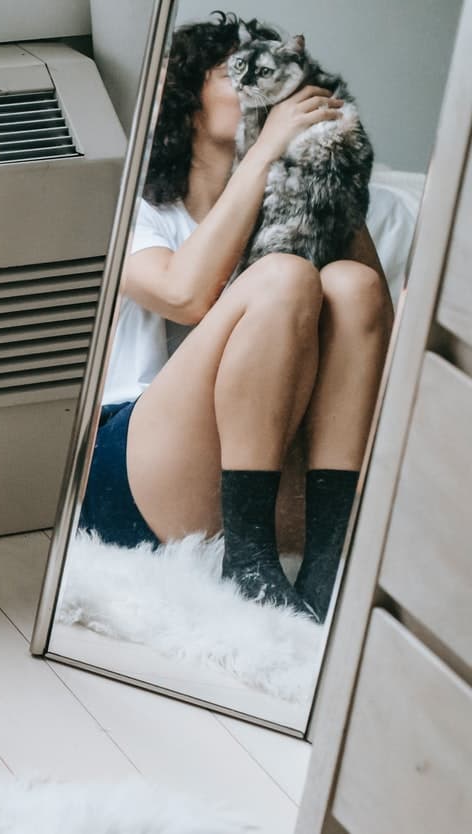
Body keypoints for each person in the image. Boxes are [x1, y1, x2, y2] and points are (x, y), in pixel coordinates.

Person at [78, 12, 392, 621]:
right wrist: (268, 145)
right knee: (282, 276)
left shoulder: (295, 205)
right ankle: (246, 562)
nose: (265, 82)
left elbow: (377, 323)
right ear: (187, 103)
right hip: (139, 470)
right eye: (234, 71)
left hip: (272, 477)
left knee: (352, 286)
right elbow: (184, 295)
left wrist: (322, 176)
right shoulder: (136, 210)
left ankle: (327, 559)